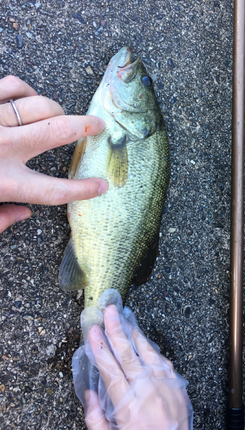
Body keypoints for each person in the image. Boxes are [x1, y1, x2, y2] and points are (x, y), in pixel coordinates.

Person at [0, 76, 194, 429]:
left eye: (142, 82)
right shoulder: (130, 136)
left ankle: (99, 335)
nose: (131, 71)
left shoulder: (126, 136)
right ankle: (103, 350)